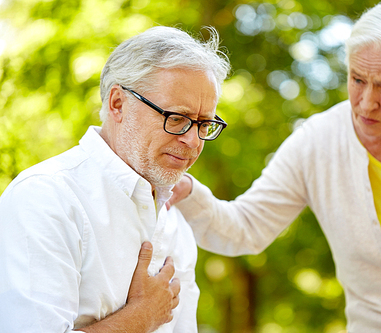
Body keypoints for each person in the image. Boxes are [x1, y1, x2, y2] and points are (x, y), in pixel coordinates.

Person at [169, 2, 381, 332]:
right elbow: (245, 229)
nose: (366, 102)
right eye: (357, 79)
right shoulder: (317, 141)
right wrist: (189, 194)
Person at [0, 26, 230, 332]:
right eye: (176, 118)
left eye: (204, 123)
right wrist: (142, 317)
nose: (193, 140)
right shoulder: (45, 198)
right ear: (118, 104)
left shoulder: (177, 225)